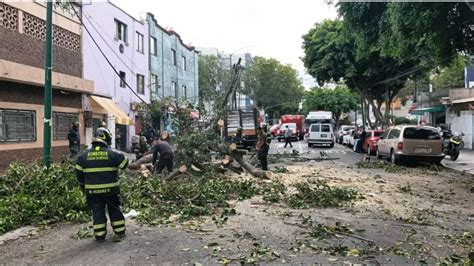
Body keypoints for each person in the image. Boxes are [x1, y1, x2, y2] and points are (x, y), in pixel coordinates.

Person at [75, 128, 128, 242]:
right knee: (114, 210)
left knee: (97, 212)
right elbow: (125, 163)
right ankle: (119, 232)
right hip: (111, 190)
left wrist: (83, 186)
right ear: (107, 139)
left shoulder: (82, 156)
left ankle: (99, 236)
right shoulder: (113, 154)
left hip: (92, 192)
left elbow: (79, 175)